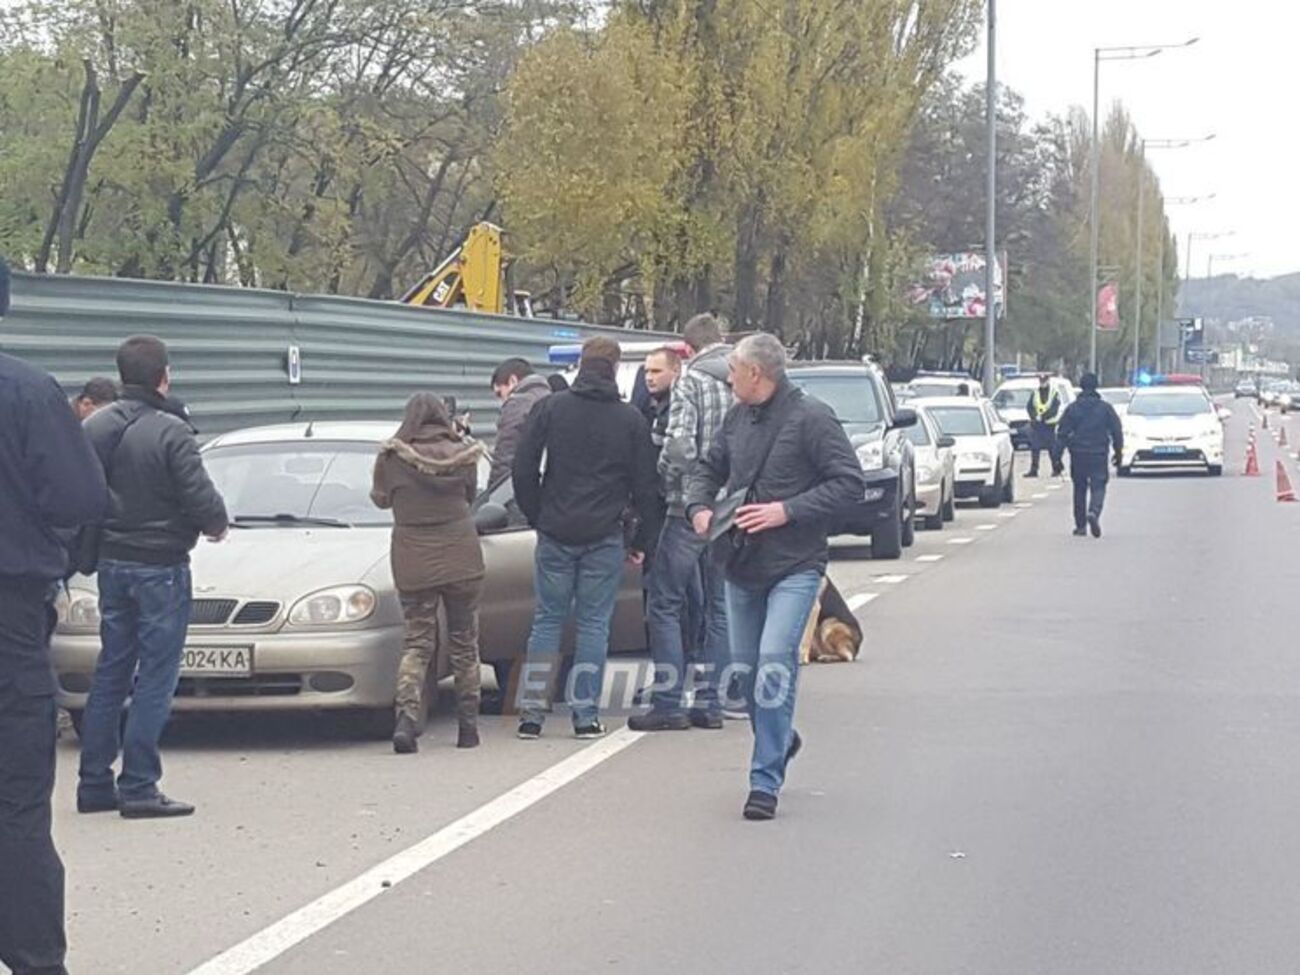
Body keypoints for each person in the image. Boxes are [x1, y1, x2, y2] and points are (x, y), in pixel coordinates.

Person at [686, 333, 864, 820]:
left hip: (795, 564)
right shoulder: (737, 417)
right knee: (746, 676)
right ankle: (782, 739)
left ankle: (764, 781)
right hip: (740, 562)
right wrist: (698, 506)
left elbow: (850, 483)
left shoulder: (813, 418)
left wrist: (788, 510)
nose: (728, 379)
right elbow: (708, 467)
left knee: (773, 664)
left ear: (755, 373)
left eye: (733, 370)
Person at [0, 257, 108, 975]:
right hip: (8, 618)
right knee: (15, 805)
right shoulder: (28, 393)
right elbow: (82, 498)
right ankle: (35, 958)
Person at [78, 335, 229, 819]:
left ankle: (93, 782)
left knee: (112, 670)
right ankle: (140, 785)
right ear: (163, 377)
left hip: (111, 562)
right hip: (161, 566)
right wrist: (217, 525)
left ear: (122, 375)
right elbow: (199, 496)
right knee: (156, 676)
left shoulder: (94, 426)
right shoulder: (171, 431)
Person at [512, 336, 658, 740]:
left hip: (555, 530)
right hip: (605, 533)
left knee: (547, 619)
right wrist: (641, 539)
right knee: (594, 624)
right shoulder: (630, 420)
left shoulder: (551, 408)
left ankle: (531, 714)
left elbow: (523, 467)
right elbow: (646, 486)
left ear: (580, 364)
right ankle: (585, 715)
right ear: (615, 368)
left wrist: (537, 514)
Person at [630, 315, 733, 732]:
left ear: (688, 349)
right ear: (721, 340)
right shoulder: (746, 379)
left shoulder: (691, 381)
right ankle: (711, 702)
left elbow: (677, 443)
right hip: (732, 507)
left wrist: (672, 481)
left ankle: (669, 702)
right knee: (718, 606)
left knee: (665, 602)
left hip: (688, 507)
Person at [371, 394, 486, 753]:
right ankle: (468, 728)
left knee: (417, 642)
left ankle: (406, 721)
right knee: (464, 642)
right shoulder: (464, 455)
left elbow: (380, 499)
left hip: (413, 558)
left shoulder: (391, 458)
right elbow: (470, 496)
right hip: (461, 555)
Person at [1057, 372, 1123, 538]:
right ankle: (1094, 511)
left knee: (1079, 488)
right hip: (1099, 453)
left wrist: (1056, 458)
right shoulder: (1105, 409)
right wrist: (1118, 452)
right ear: (1096, 387)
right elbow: (1116, 431)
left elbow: (1062, 434)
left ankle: (1080, 526)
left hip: (1078, 454)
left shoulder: (1072, 409)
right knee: (1098, 485)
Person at [488, 358, 551, 488]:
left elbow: (506, 456)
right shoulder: (552, 397)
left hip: (524, 488)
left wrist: (493, 490)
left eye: (500, 393)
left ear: (513, 381)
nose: (502, 401)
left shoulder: (518, 404)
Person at [1025, 373, 1064, 477]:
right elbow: (1029, 407)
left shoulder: (1054, 393)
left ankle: (1056, 469)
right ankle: (1034, 470)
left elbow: (1054, 409)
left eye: (1044, 381)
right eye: (1041, 381)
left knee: (1052, 448)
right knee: (1035, 447)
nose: (1042, 383)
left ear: (1048, 381)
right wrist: (1034, 416)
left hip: (1049, 425)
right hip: (1037, 425)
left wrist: (1043, 417)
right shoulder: (1035, 393)